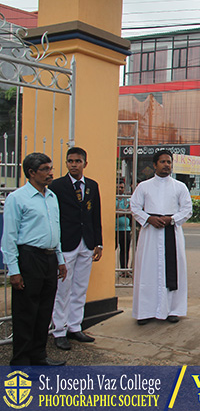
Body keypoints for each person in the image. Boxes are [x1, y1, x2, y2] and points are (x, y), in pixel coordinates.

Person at [1, 153, 67, 365]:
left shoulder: (51, 197)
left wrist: (60, 259)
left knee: (44, 310)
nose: (50, 173)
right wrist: (14, 270)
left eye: (50, 168)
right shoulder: (17, 198)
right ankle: (20, 362)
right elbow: (9, 237)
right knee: (26, 313)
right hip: (29, 258)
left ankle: (39, 356)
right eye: (45, 169)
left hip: (48, 259)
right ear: (31, 172)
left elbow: (55, 229)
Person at [49, 147, 103, 351]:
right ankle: (59, 330)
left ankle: (74, 326)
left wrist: (98, 242)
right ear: (66, 163)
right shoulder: (57, 186)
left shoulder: (92, 186)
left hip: (86, 243)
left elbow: (95, 215)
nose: (74, 164)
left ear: (85, 164)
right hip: (66, 244)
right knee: (63, 288)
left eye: (78, 161)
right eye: (70, 161)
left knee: (80, 287)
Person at [130, 150, 192, 325]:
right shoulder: (144, 186)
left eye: (169, 162)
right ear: (155, 164)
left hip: (171, 232)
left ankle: (173, 310)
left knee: (173, 271)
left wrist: (172, 219)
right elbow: (134, 207)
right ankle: (145, 311)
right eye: (163, 162)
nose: (167, 165)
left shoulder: (179, 186)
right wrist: (149, 218)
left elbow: (187, 209)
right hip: (150, 233)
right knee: (148, 271)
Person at [115, 180, 132, 273]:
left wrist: (119, 212)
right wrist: (123, 212)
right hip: (114, 229)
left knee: (125, 251)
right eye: (118, 187)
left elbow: (130, 212)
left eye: (121, 187)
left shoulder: (127, 199)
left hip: (125, 229)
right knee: (111, 250)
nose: (120, 189)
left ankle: (124, 270)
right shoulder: (113, 199)